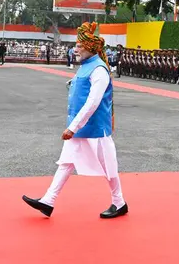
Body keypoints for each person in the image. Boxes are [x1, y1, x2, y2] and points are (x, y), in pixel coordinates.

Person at [22, 21, 128, 219]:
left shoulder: (99, 70)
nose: (76, 49)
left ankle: (119, 202)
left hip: (95, 129)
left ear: (89, 47)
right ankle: (48, 201)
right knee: (66, 163)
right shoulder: (87, 66)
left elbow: (93, 103)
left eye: (79, 45)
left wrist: (72, 127)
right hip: (81, 128)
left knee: (108, 166)